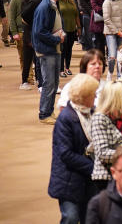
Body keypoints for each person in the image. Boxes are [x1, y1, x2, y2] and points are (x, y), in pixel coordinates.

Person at [49, 73, 100, 224]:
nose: (95, 97)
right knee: (70, 217)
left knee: (89, 218)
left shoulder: (93, 112)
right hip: (68, 179)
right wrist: (93, 166)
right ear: (84, 96)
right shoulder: (65, 118)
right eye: (93, 94)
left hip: (89, 179)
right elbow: (65, 154)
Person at [33, 0, 66, 122]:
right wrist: (57, 39)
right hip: (47, 50)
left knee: (54, 83)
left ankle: (49, 111)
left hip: (54, 49)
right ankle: (44, 114)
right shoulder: (44, 7)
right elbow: (39, 32)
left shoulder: (51, 4)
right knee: (49, 83)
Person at [58, 0, 80, 77]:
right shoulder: (58, 2)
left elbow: (76, 15)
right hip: (63, 29)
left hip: (72, 28)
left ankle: (67, 67)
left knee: (69, 49)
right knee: (62, 49)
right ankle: (61, 69)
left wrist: (79, 27)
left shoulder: (71, 1)